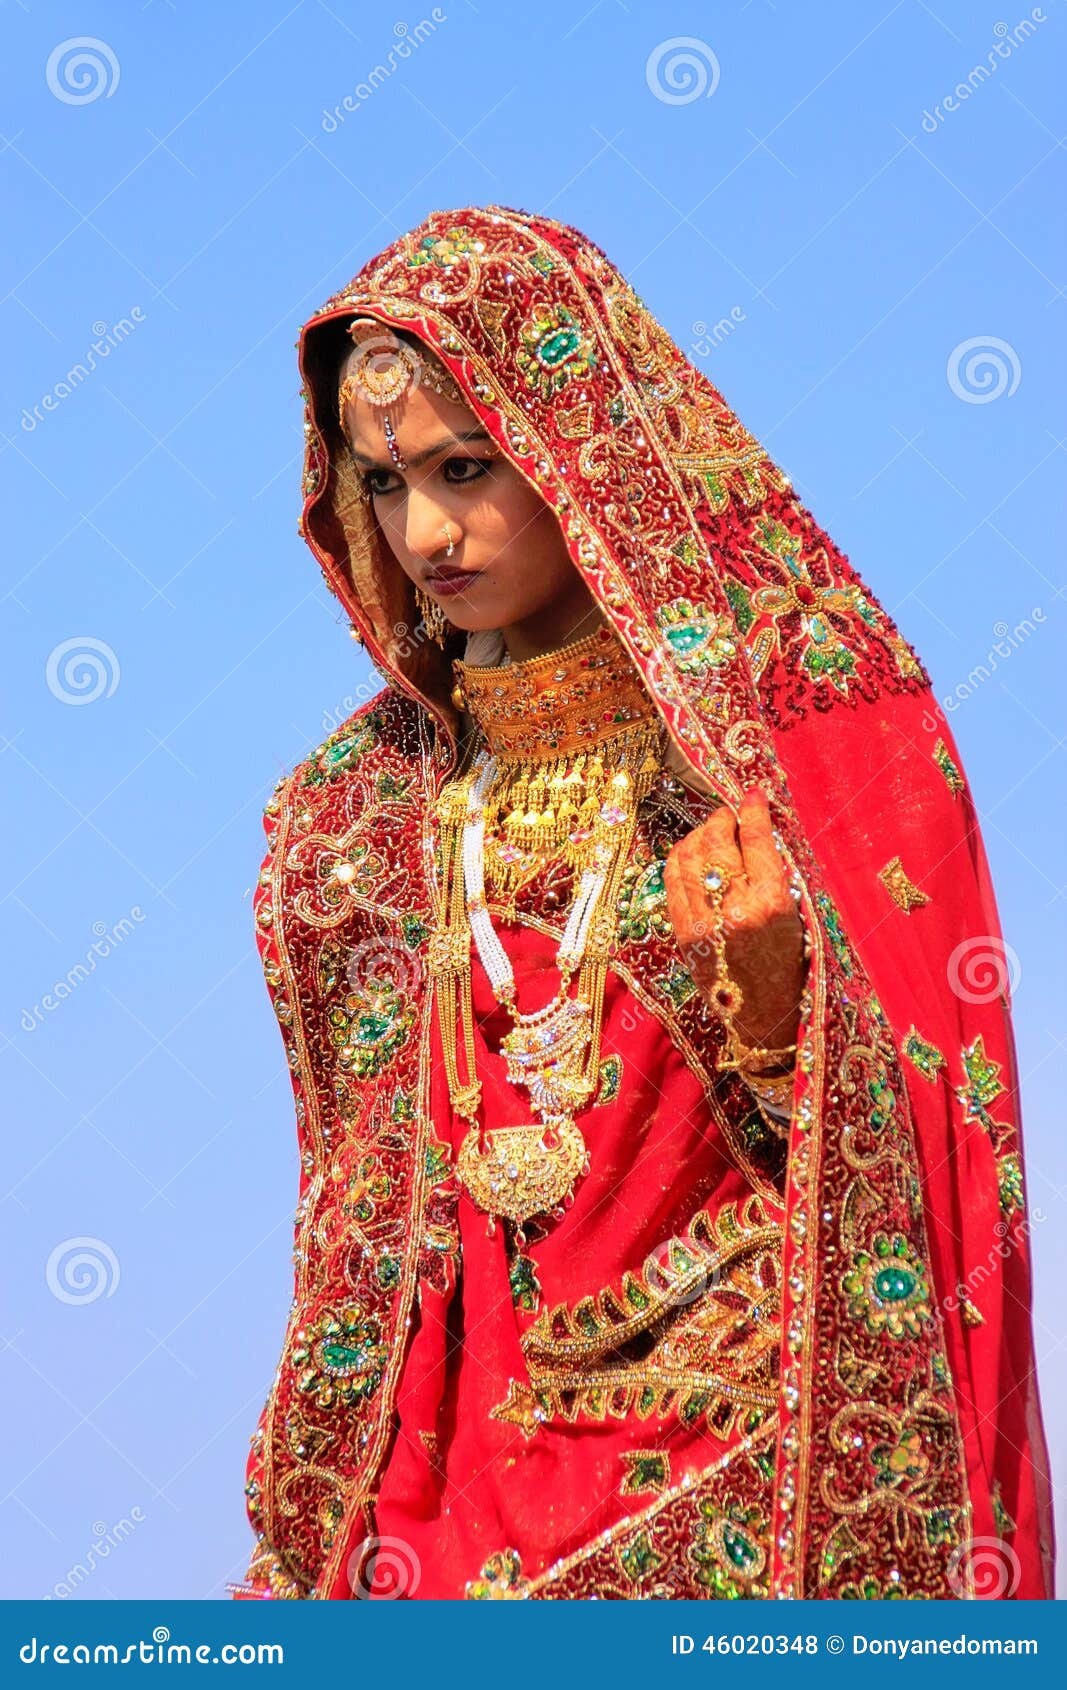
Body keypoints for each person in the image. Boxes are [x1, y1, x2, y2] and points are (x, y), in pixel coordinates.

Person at [230, 205, 1052, 1601]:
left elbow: (936, 1183)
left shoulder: (800, 730)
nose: (426, 528)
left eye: (466, 467)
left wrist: (787, 1005)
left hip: (742, 1475)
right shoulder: (348, 823)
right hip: (431, 1501)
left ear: (574, 444)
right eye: (384, 483)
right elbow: (356, 1243)